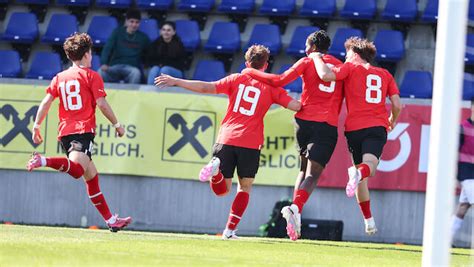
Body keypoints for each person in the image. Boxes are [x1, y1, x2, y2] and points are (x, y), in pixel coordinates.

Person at [155, 45, 302, 240]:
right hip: (250, 142)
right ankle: (229, 231)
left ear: (247, 63)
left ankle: (215, 170)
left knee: (221, 190)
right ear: (266, 65)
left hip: (226, 138)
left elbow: (206, 87)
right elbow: (296, 106)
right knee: (244, 188)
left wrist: (176, 81)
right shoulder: (272, 87)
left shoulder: (236, 78)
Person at [242, 30, 344, 241]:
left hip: (303, 122)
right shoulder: (342, 67)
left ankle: (296, 213)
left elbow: (279, 80)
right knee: (312, 175)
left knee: (302, 169)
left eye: (307, 46)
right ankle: (295, 207)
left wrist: (251, 72)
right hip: (325, 124)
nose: (305, 50)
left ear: (313, 47)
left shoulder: (306, 62)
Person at [27, 33, 132, 232]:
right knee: (76, 170)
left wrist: (36, 126)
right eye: (91, 53)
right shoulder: (91, 76)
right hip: (81, 131)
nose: (92, 57)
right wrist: (117, 124)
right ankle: (43, 160)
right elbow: (101, 104)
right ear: (85, 54)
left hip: (66, 131)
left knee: (91, 177)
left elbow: (47, 101)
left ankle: (111, 220)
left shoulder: (60, 77)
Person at [310, 37, 402, 235]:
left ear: (356, 54)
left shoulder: (349, 68)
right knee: (370, 168)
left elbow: (325, 75)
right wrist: (392, 120)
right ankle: (357, 174)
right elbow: (397, 104)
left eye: (347, 53)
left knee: (362, 176)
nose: (345, 57)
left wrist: (316, 57)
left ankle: (368, 221)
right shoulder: (385, 74)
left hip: (354, 128)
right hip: (376, 126)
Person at [99, 9, 150, 84]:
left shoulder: (143, 38)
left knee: (136, 73)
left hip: (131, 68)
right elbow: (107, 48)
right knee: (100, 72)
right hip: (114, 66)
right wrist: (103, 63)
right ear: (126, 21)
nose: (134, 24)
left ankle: (131, 95)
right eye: (131, 21)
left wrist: (146, 65)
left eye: (137, 22)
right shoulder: (117, 32)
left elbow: (148, 54)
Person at [452, 98, 474, 241]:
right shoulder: (462, 127)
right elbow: (453, 152)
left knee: (462, 207)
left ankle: (444, 240)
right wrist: (453, 176)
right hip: (466, 173)